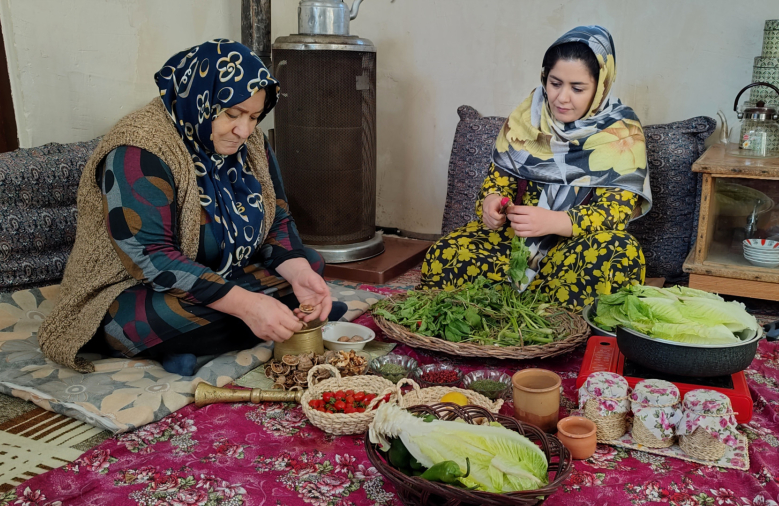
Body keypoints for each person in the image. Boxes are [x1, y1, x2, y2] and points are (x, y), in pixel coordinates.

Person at [38, 39, 346, 376]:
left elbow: (277, 217)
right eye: (231, 113)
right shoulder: (140, 149)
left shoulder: (250, 140)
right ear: (201, 99)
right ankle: (253, 323)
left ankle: (189, 344)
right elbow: (152, 258)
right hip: (133, 290)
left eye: (254, 116)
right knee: (144, 321)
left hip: (221, 272)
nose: (243, 130)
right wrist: (248, 304)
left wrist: (298, 271)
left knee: (309, 265)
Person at [421, 26, 651, 311]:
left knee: (620, 253)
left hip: (576, 247)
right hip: (514, 244)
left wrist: (554, 222)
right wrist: (492, 204)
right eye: (555, 83)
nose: (562, 98)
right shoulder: (525, 120)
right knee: (448, 252)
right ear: (544, 77)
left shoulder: (622, 131)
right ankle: (515, 313)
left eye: (577, 88)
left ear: (601, 86)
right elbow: (496, 186)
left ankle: (546, 318)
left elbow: (615, 213)